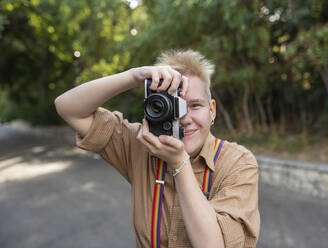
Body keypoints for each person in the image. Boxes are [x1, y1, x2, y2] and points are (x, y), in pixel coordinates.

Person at [54, 49, 260, 248]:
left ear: (212, 111)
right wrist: (135, 76)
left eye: (195, 105)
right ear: (154, 106)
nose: (185, 118)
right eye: (174, 105)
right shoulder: (140, 145)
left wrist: (179, 163)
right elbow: (68, 108)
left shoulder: (238, 163)